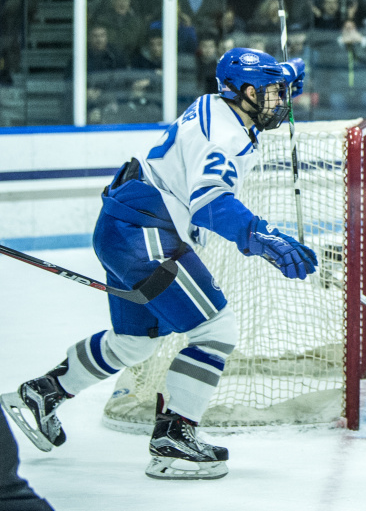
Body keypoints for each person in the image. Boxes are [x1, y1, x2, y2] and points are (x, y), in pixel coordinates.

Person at [1, 49, 317, 480]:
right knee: (215, 329)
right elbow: (211, 203)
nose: (281, 102)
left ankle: (41, 393)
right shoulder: (224, 137)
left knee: (134, 344)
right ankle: (174, 440)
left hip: (124, 224)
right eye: (273, 94)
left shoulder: (215, 104)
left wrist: (285, 76)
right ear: (245, 92)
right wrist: (263, 237)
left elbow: (245, 112)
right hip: (146, 234)